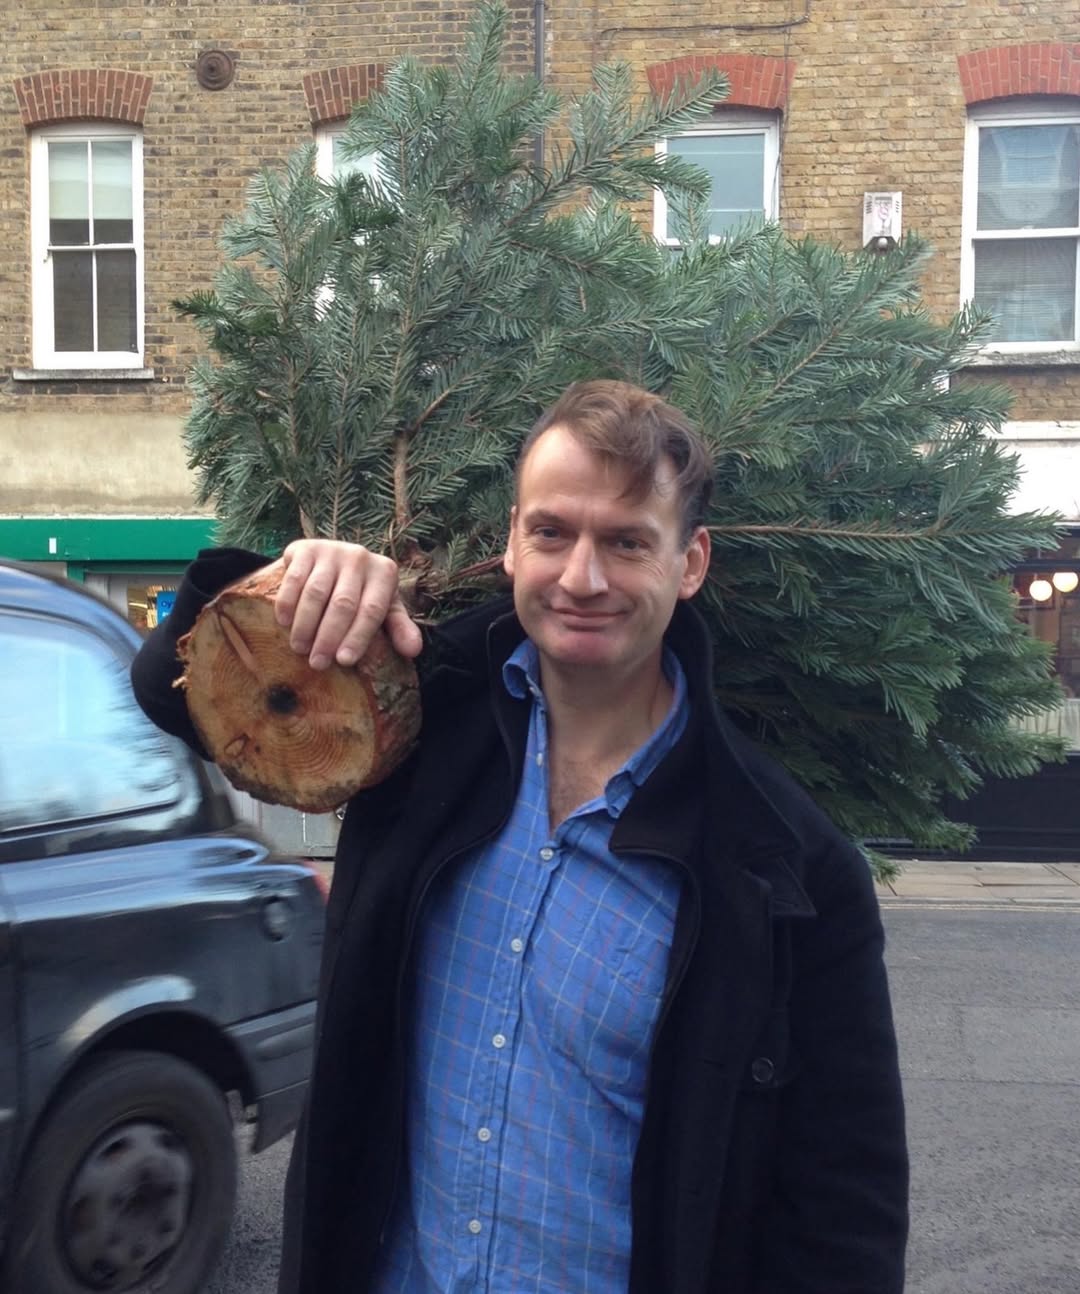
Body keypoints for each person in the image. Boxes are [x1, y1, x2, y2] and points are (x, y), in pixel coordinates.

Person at [131, 379, 908, 1294]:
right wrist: (299, 578)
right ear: (512, 542)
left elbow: (843, 1206)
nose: (582, 578)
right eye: (552, 532)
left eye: (626, 541)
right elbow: (166, 693)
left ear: (690, 562)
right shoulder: (419, 723)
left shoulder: (782, 862)